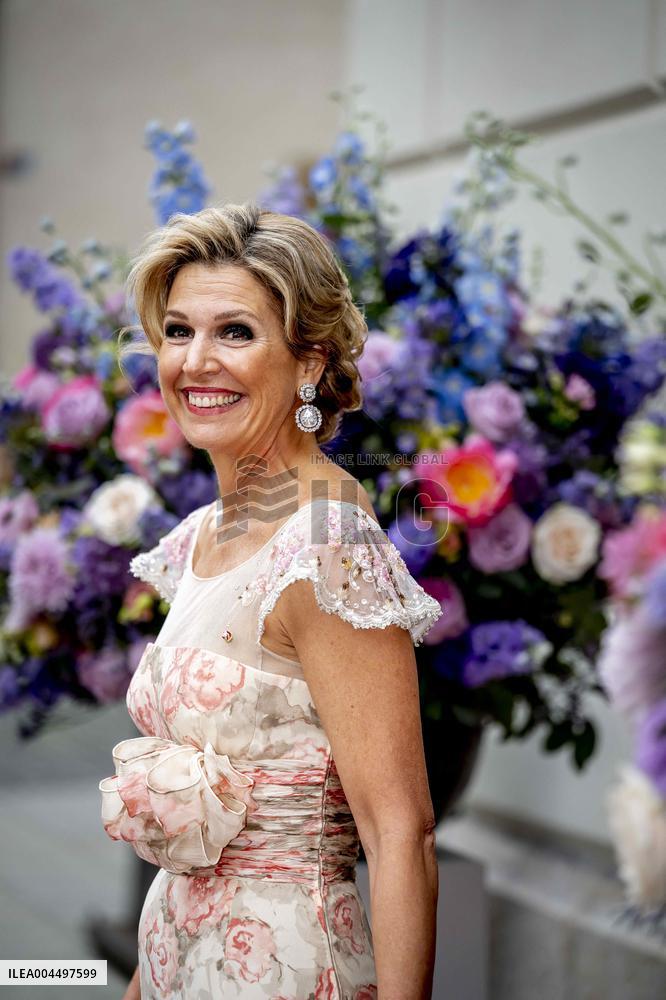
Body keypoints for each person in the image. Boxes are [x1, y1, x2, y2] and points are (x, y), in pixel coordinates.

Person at [100, 203, 443, 999]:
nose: (196, 362)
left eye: (236, 333)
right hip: (176, 956)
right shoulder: (200, 535)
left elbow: (402, 834)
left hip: (287, 968)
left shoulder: (326, 549)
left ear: (311, 362)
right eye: (179, 331)